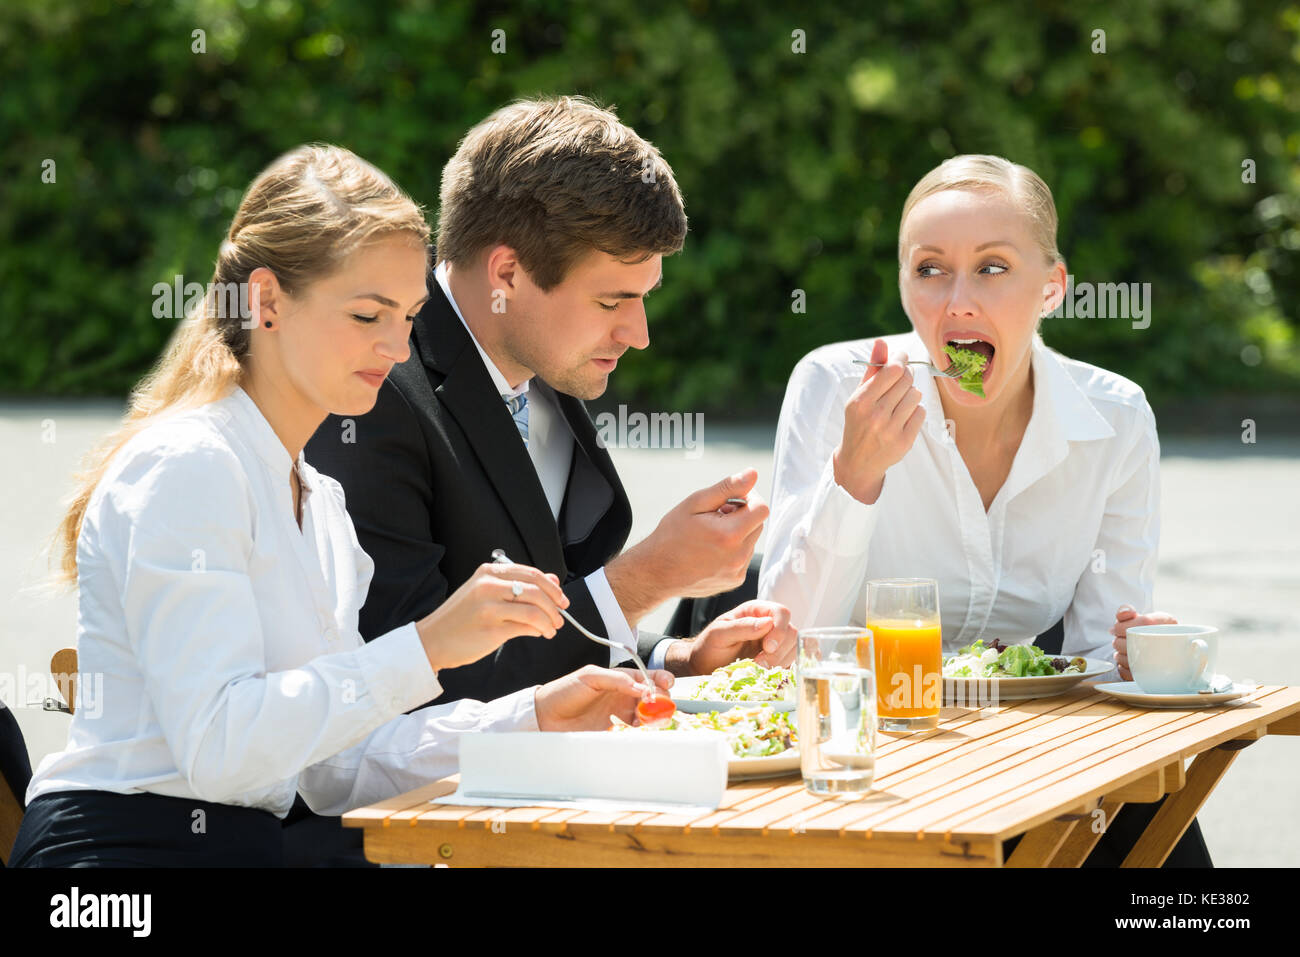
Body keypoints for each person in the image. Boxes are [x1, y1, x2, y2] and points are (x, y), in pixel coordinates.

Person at [10, 145, 673, 868]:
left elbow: (331, 766)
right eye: (367, 314)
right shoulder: (191, 463)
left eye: (411, 317)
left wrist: (534, 719)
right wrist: (427, 646)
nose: (396, 347)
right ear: (264, 301)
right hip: (115, 865)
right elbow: (219, 749)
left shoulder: (317, 499)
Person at [757, 153, 1210, 866]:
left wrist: (1135, 652)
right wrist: (856, 477)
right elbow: (789, 642)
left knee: (1166, 837)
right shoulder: (834, 386)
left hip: (1030, 748)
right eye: (930, 268)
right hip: (858, 747)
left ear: (1053, 287)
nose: (956, 302)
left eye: (993, 267)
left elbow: (1099, 655)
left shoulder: (1114, 419)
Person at [305, 96, 797, 708]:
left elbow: (543, 623)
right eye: (612, 302)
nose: (639, 334)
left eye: (644, 298)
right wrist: (648, 578)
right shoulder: (371, 391)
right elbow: (410, 683)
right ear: (507, 274)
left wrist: (677, 657)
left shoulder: (536, 358)